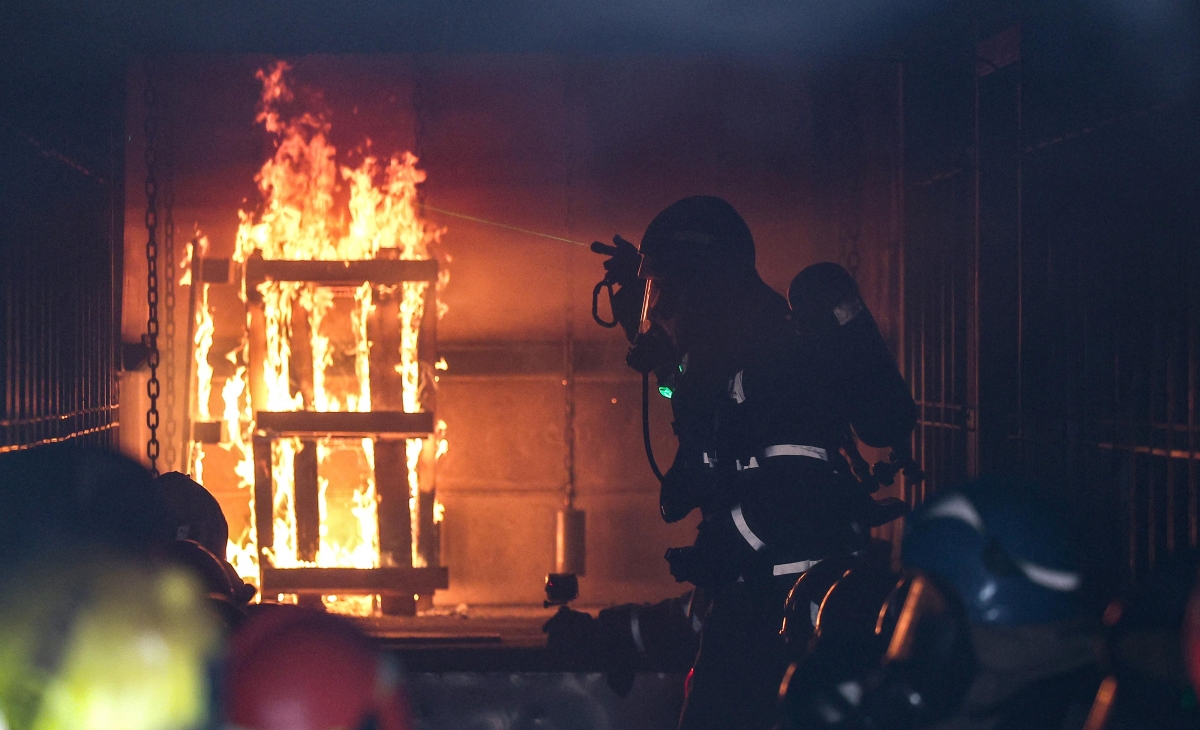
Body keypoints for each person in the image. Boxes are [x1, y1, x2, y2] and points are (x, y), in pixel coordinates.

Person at [593, 197, 910, 730]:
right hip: (764, 610)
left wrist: (721, 550)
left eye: (666, 297)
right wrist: (649, 334)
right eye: (655, 298)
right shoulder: (731, 358)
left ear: (708, 288)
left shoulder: (773, 366)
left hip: (793, 626)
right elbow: (690, 399)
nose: (659, 317)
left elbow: (792, 496)